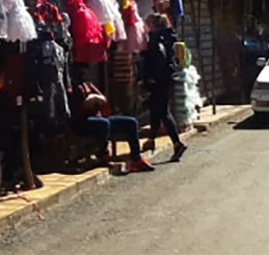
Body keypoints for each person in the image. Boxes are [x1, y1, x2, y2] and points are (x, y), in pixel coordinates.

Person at [70, 80, 155, 172]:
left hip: (99, 118)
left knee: (131, 122)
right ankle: (103, 154)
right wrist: (88, 102)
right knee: (103, 124)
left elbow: (103, 99)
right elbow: (78, 108)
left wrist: (94, 97)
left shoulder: (88, 84)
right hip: (82, 122)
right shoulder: (71, 88)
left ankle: (136, 158)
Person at [141, 14, 188, 162]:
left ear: (153, 24)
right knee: (156, 110)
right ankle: (151, 140)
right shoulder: (167, 36)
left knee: (162, 111)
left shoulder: (155, 37)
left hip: (159, 80)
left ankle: (177, 143)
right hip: (167, 78)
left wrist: (152, 76)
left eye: (147, 22)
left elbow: (158, 56)